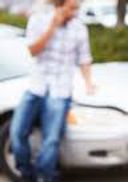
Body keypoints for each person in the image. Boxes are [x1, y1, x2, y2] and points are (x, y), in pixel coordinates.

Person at [10, 0, 94, 181]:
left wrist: (89, 83)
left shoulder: (79, 29)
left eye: (77, 8)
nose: (75, 12)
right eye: (71, 8)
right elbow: (33, 50)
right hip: (36, 86)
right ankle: (27, 173)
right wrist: (52, 28)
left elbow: (84, 58)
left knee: (52, 140)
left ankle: (45, 176)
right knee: (17, 134)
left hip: (61, 90)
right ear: (59, 5)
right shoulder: (38, 20)